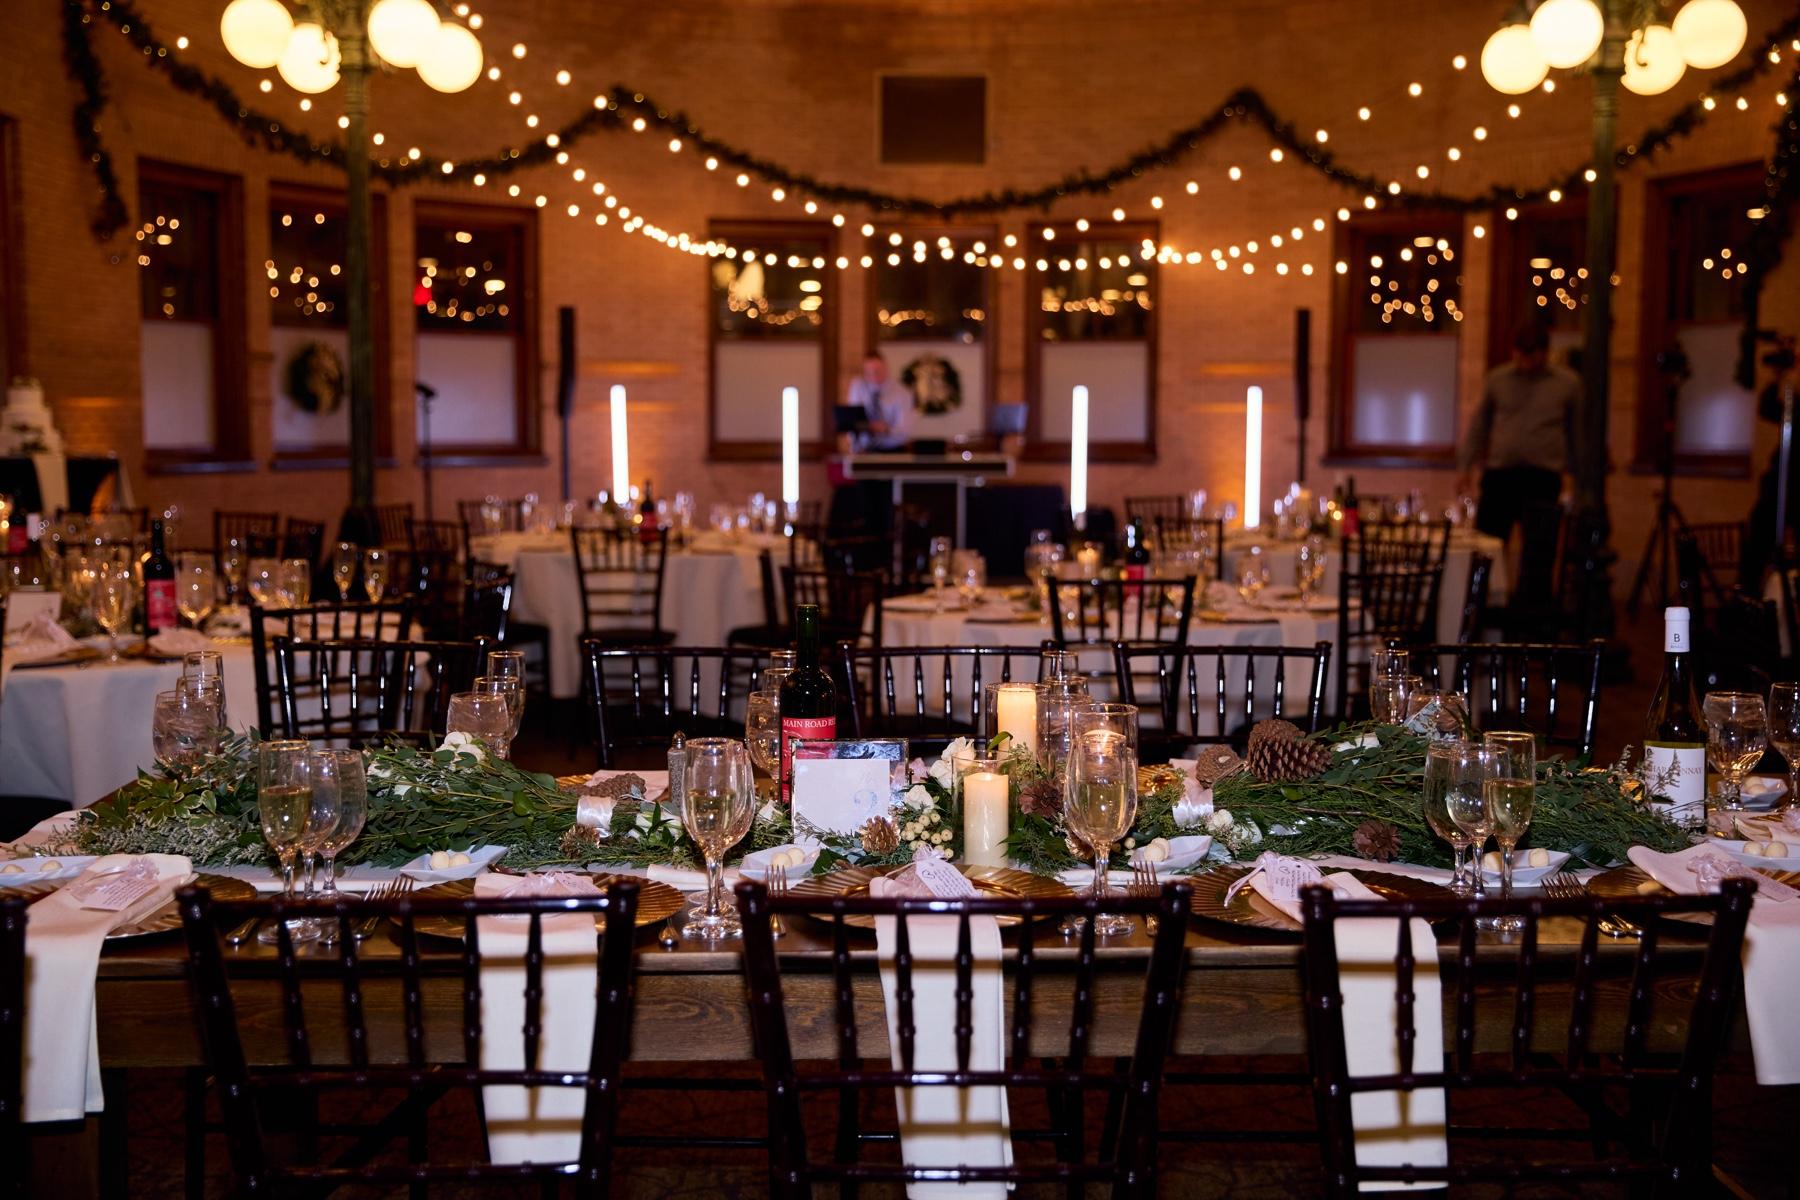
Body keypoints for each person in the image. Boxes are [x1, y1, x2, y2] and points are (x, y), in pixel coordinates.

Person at [1456, 320, 1579, 544]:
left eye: (1531, 355)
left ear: (1544, 352)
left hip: (1543, 477)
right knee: (1487, 544)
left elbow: (1576, 432)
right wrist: (1465, 467)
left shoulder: (1566, 384)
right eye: (1520, 354)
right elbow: (1479, 426)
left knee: (1539, 550)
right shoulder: (1497, 380)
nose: (1525, 362)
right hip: (1501, 475)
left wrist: (1575, 473)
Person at [845, 350, 912, 451]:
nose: (873, 375)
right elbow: (852, 420)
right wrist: (854, 445)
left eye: (877, 370)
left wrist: (886, 429)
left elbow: (904, 430)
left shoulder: (902, 393)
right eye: (868, 372)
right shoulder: (858, 386)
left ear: (886, 368)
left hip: (893, 449)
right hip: (865, 449)